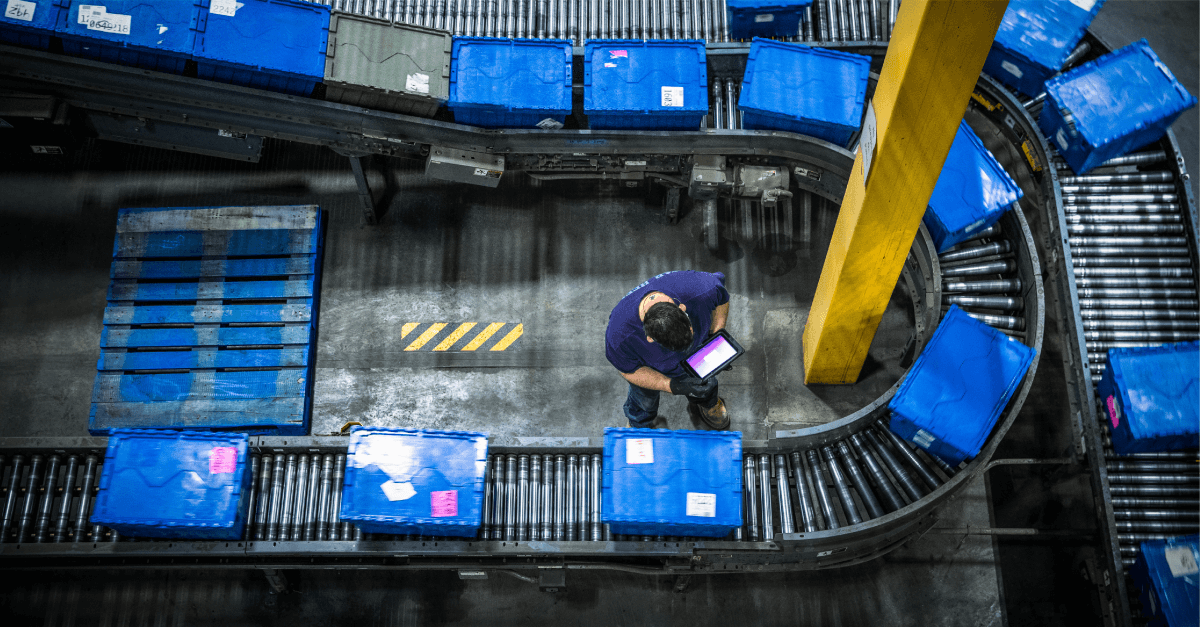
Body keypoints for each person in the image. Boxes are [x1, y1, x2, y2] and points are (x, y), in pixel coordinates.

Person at [605, 270, 731, 430]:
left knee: (706, 384)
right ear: (650, 338)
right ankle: (639, 423)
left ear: (683, 308)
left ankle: (709, 404)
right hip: (651, 366)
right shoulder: (620, 334)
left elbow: (722, 299)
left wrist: (716, 336)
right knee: (644, 401)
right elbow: (629, 371)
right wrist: (670, 385)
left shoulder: (701, 287)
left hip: (699, 352)